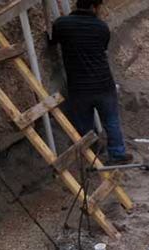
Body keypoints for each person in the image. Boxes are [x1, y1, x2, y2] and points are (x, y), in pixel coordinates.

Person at [51, 0, 132, 164]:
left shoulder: (62, 24)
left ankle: (91, 155)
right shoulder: (101, 28)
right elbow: (102, 48)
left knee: (84, 126)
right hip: (104, 85)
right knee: (111, 121)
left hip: (79, 88)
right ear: (94, 7)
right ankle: (117, 154)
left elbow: (53, 41)